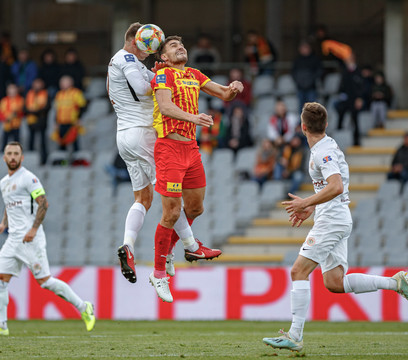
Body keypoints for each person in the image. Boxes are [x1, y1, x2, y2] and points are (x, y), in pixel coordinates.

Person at [262, 102, 408, 352]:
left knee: (298, 272)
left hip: (333, 220)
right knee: (334, 282)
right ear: (326, 125)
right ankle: (396, 283)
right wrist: (312, 208)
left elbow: (336, 185)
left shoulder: (322, 152)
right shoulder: (324, 146)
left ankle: (295, 335)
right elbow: (330, 189)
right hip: (332, 216)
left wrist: (307, 201)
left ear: (302, 126)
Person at [108, 24, 222, 285]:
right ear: (137, 40)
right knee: (171, 202)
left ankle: (128, 245)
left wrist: (159, 74)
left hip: (124, 135)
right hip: (143, 133)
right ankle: (190, 245)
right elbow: (141, 88)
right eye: (148, 44)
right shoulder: (126, 58)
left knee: (143, 198)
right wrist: (161, 79)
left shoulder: (126, 63)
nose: (150, 51)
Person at [149, 35, 243, 302]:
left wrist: (234, 87)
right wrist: (195, 117)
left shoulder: (194, 74)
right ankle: (158, 274)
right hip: (169, 148)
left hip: (190, 149)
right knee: (171, 213)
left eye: (182, 45)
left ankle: (170, 252)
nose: (181, 47)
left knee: (196, 208)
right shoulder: (163, 76)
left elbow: (224, 93)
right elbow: (165, 107)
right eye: (173, 46)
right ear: (163, 57)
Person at [0, 141, 95, 336]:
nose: (13, 157)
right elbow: (10, 206)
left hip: (30, 239)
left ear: (22, 157)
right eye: (10, 153)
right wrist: (3, 225)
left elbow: (44, 203)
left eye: (17, 153)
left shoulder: (28, 178)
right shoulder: (3, 183)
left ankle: (84, 307)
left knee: (45, 282)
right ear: (4, 157)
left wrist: (34, 228)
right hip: (13, 239)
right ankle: (2, 326)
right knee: (0, 279)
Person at [335, 53, 364, 146]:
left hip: (355, 99)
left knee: (355, 120)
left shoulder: (358, 72)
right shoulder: (345, 72)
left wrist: (359, 98)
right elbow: (341, 86)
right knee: (340, 114)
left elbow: (361, 87)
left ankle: (356, 141)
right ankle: (338, 137)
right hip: (345, 99)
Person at [52, 75, 86, 151]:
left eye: (64, 82)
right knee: (62, 142)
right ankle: (62, 160)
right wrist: (55, 121)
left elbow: (82, 107)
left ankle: (76, 160)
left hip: (73, 122)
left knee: (74, 141)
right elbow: (57, 109)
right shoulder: (59, 94)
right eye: (61, 83)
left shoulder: (76, 93)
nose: (62, 84)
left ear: (70, 83)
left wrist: (79, 118)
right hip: (62, 122)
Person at [291, 41, 323, 114]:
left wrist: (311, 80)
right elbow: (293, 73)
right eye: (303, 48)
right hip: (300, 88)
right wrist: (299, 81)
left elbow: (319, 71)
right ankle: (302, 123)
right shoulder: (297, 60)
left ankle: (313, 123)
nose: (304, 50)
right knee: (301, 108)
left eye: (306, 48)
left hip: (311, 88)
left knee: (312, 108)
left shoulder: (315, 59)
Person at [25, 78, 49, 164]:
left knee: (43, 141)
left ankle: (44, 159)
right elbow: (25, 107)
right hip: (31, 121)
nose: (37, 86)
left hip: (42, 121)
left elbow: (47, 107)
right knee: (31, 140)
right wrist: (31, 111)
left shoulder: (45, 94)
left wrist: (35, 112)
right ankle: (30, 159)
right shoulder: (29, 94)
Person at [0, 84, 24, 150]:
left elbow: (21, 111)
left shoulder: (20, 100)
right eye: (10, 90)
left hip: (16, 125)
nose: (12, 92)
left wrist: (16, 113)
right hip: (7, 125)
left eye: (13, 90)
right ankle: (3, 154)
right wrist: (5, 118)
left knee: (16, 141)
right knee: (4, 141)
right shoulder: (4, 101)